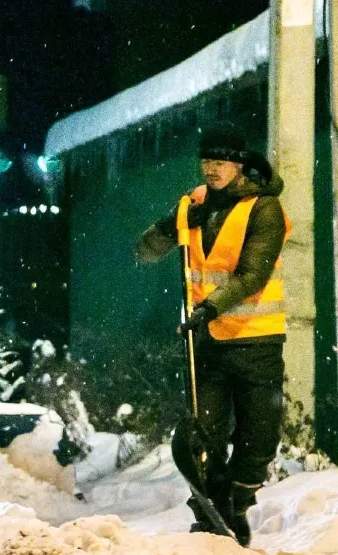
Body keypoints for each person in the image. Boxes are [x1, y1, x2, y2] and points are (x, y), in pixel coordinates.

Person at [136, 123, 290, 546]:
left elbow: (254, 274)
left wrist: (209, 307)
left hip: (256, 339)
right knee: (204, 434)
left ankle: (237, 503)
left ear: (239, 165)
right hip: (205, 343)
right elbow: (144, 251)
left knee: (259, 437)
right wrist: (173, 226)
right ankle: (209, 511)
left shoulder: (264, 209)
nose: (211, 169)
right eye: (206, 161)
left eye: (219, 162)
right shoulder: (195, 203)